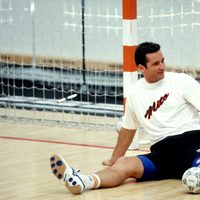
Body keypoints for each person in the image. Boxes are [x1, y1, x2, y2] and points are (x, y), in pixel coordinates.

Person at [50, 42, 200, 195]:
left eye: (162, 61)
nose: (162, 66)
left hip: (192, 144)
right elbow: (128, 128)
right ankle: (83, 181)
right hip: (163, 153)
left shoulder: (182, 81)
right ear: (141, 68)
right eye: (155, 64)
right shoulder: (135, 93)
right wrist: (115, 158)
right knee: (124, 164)